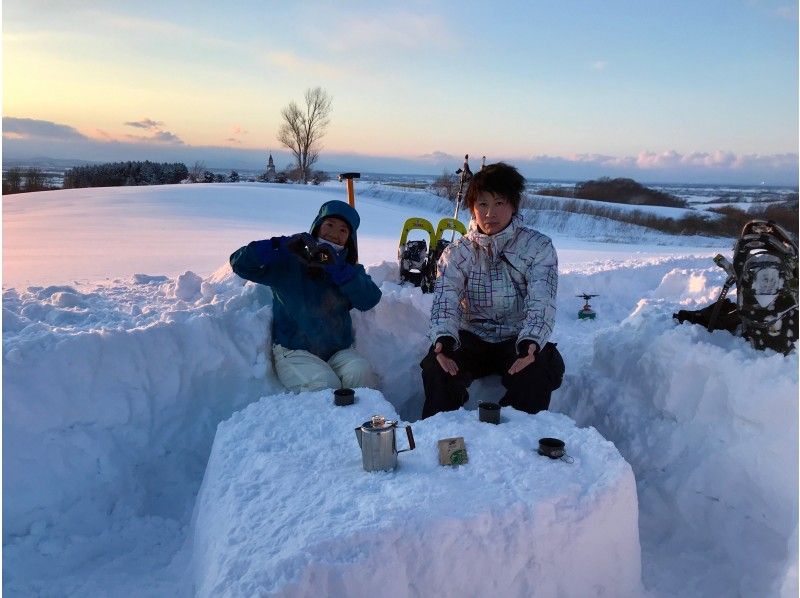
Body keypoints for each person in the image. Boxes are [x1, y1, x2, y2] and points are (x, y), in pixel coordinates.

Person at [420, 162, 564, 419]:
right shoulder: (457, 253)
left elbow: (542, 301)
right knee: (437, 367)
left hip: (516, 339)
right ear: (473, 208)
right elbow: (445, 300)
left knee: (538, 371)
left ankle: (521, 440)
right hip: (471, 336)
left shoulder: (538, 247)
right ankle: (438, 437)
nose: (490, 213)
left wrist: (531, 341)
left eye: (499, 203)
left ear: (514, 206)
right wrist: (443, 339)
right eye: (482, 204)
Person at [230, 200, 381, 392]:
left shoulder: (350, 270)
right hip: (294, 352)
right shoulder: (288, 262)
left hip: (338, 352)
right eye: (329, 225)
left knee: (361, 372)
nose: (334, 234)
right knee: (326, 386)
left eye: (343, 230)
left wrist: (340, 271)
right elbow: (240, 263)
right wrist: (277, 245)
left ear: (349, 238)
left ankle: (366, 420)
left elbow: (369, 299)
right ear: (317, 227)